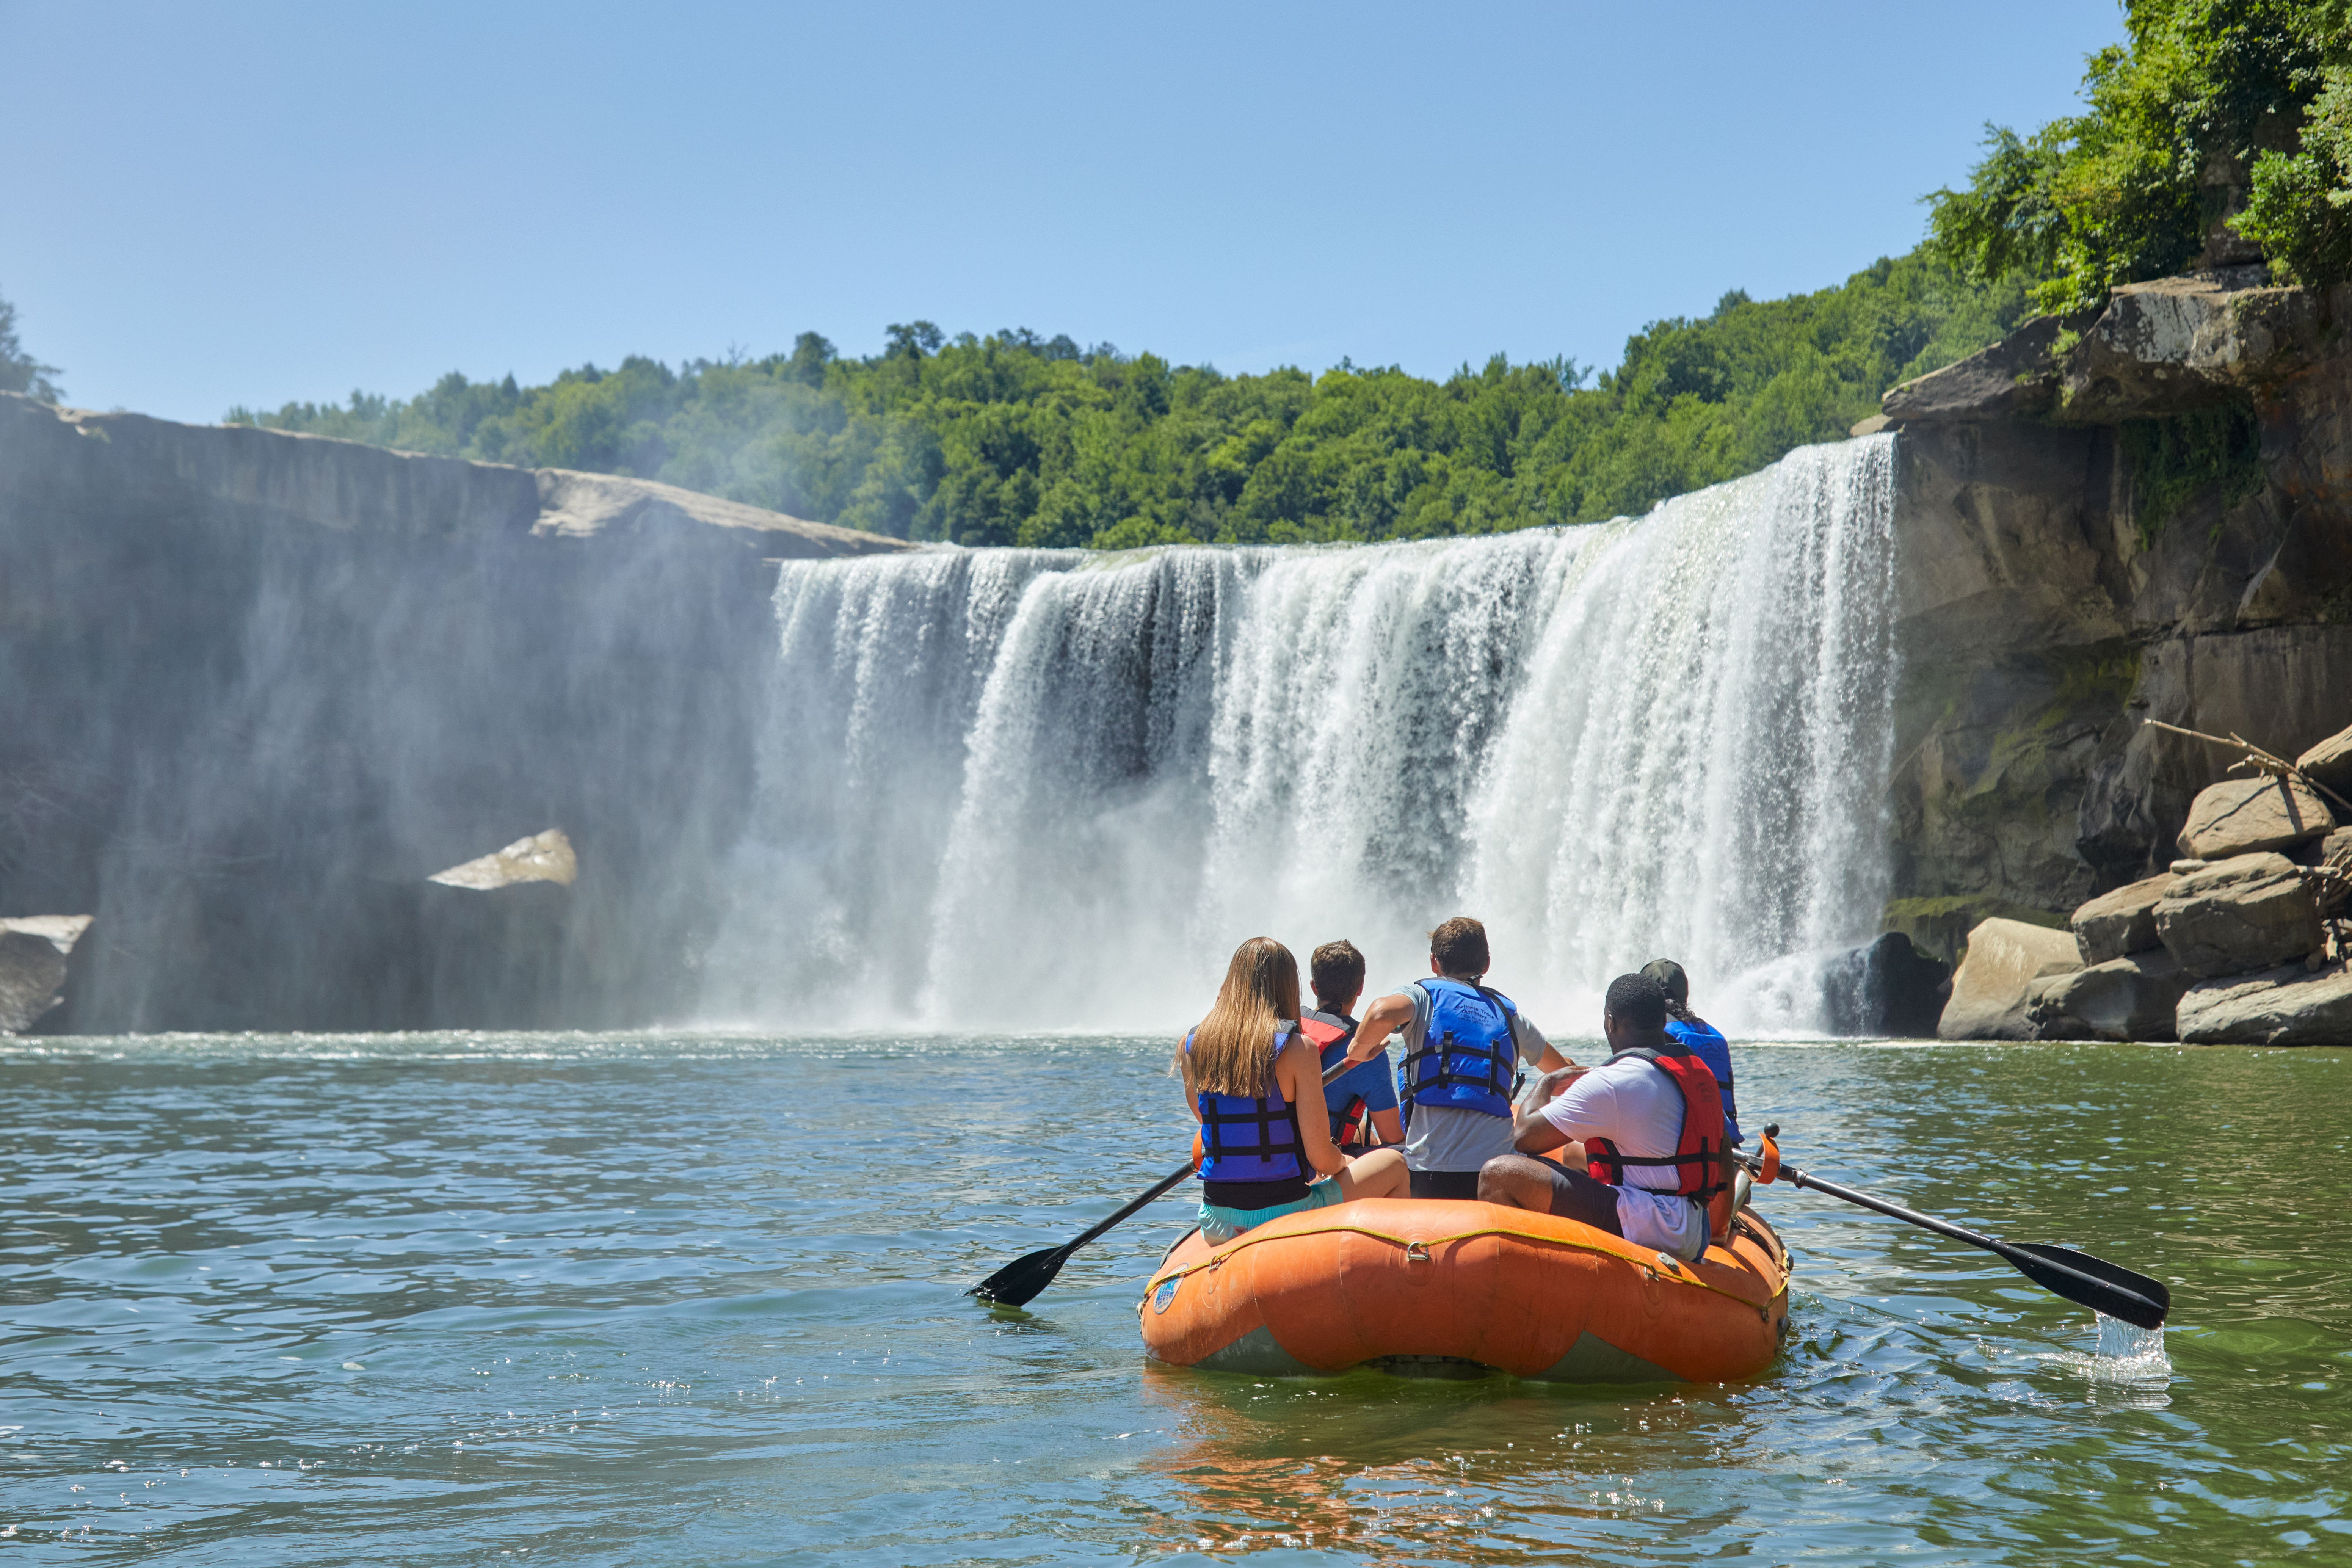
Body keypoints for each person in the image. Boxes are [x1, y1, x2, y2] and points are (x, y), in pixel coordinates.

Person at [1477, 972, 1732, 1262]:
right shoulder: (1698, 1072)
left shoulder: (1613, 1081)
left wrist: (1547, 1083)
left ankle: (1523, 1278)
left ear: (1610, 1022)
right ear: (1663, 1021)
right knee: (1574, 1154)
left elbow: (1525, 1137)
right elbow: (1721, 1149)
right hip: (1693, 1227)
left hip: (1652, 1227)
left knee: (1499, 1174)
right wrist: (1718, 1228)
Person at [1178, 936, 1409, 1243]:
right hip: (1285, 1216)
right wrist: (1346, 1164)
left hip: (1216, 1222)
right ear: (1289, 987)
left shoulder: (1191, 1046)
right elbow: (1322, 1160)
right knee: (1395, 1164)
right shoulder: (1299, 1049)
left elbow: (1214, 1124)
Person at [1342, 916, 1569, 1200]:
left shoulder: (1421, 997)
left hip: (1426, 1176)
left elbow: (1380, 1013)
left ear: (1434, 963)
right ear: (1486, 965)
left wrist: (1358, 1050)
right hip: (1494, 1178)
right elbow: (1563, 1075)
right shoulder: (1512, 1018)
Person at [1298, 939, 1402, 1152]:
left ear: (1314, 987)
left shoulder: (1289, 1025)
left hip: (1278, 1146)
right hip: (1321, 1158)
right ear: (1361, 988)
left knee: (1364, 1130)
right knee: (1397, 1154)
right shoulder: (1366, 1049)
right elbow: (1392, 1136)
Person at [1641, 958, 1744, 1148]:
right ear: (1685, 994)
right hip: (1728, 1146)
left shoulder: (1657, 1034)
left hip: (1683, 1148)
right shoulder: (1715, 1035)